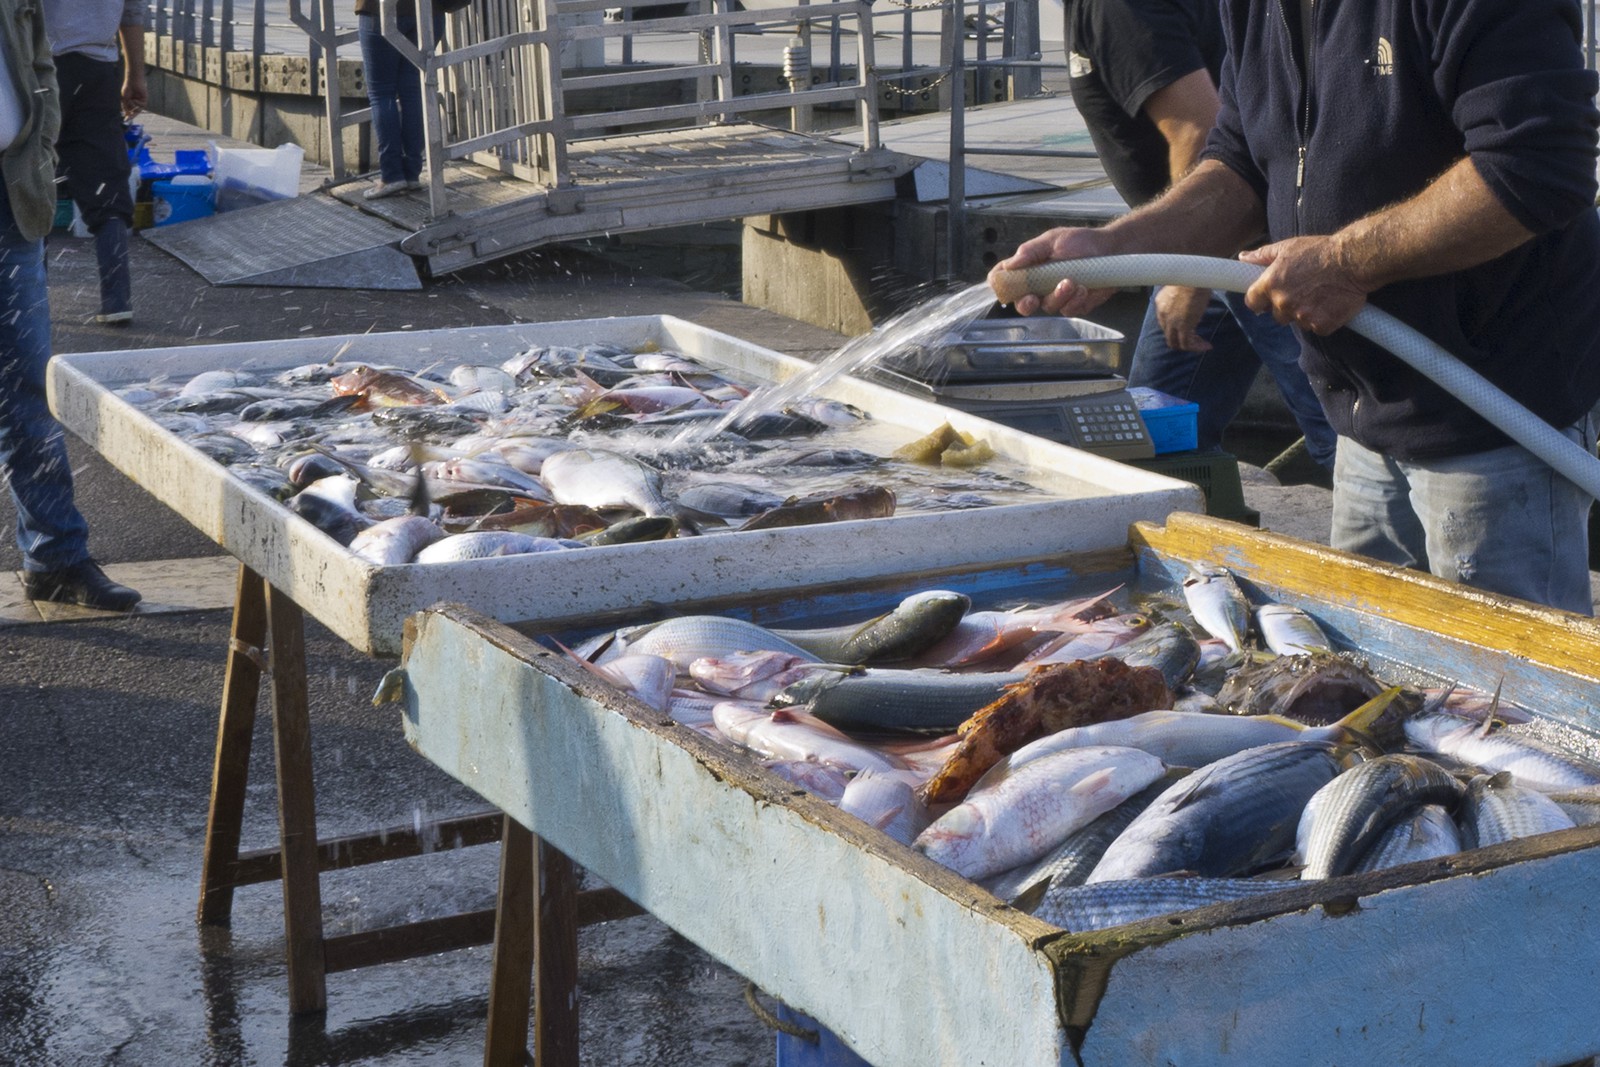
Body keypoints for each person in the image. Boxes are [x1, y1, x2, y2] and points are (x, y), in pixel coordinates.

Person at [993, 0, 1600, 614]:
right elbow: (1242, 165)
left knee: (1507, 698)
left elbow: (1536, 167)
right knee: (1368, 682)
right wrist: (1114, 247)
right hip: (1364, 417)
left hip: (1493, 415)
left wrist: (1345, 263)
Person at [1065, 0, 1336, 474]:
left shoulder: (1117, 8)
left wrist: (1187, 273)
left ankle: (1386, 538)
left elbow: (1198, 127)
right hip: (1210, 248)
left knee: (1340, 432)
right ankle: (1168, 533)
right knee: (1153, 437)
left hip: (1251, 249)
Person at [0, 0, 141, 610]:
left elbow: (36, 56)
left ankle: (55, 555)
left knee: (28, 384)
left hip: (10, 193)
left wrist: (41, 142)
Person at [41, 0, 145, 327]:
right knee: (106, 182)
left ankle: (27, 299)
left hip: (39, 67)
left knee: (30, 177)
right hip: (97, 69)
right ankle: (116, 299)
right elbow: (132, 11)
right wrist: (135, 75)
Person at [356, 0, 446, 200]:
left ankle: (392, 175)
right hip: (430, 12)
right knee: (413, 91)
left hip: (381, 10)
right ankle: (412, 172)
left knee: (382, 92)